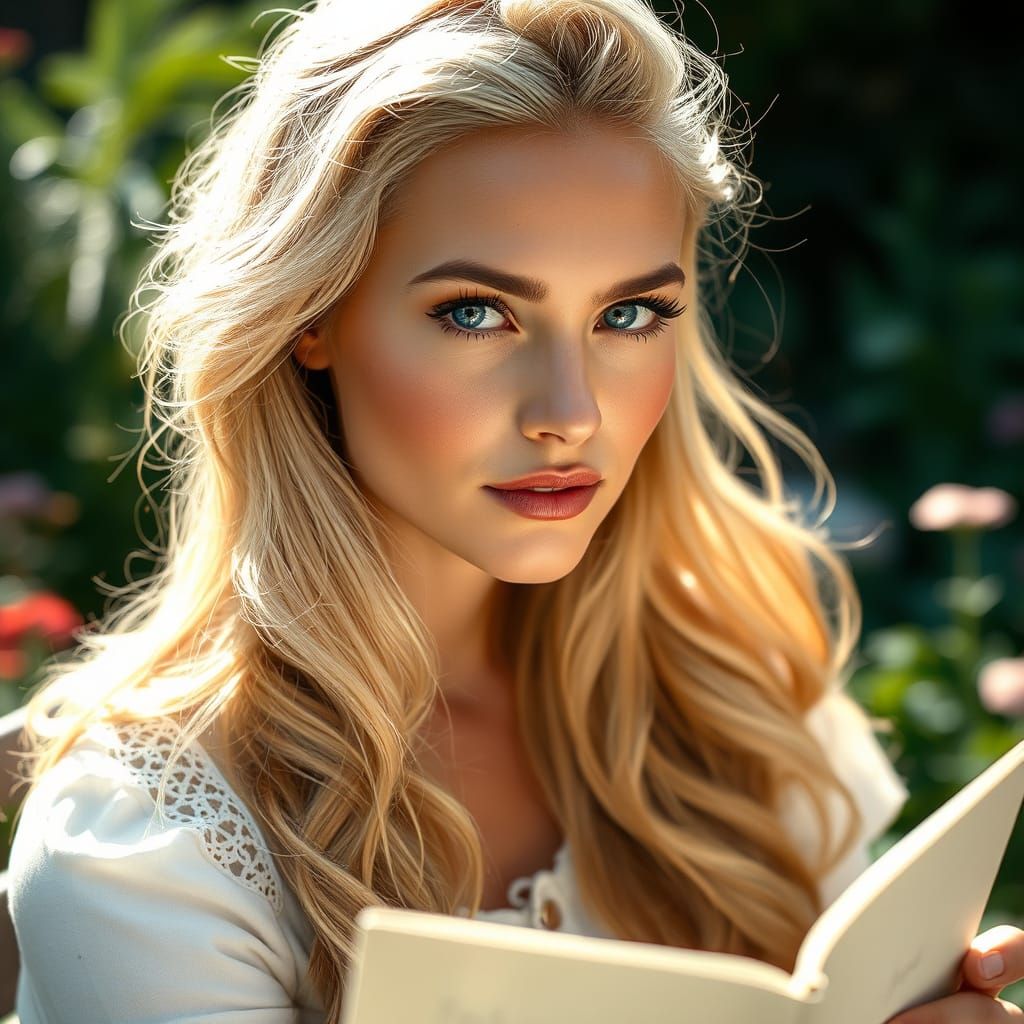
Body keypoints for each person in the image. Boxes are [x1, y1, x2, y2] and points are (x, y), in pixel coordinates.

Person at [6, 0, 1021, 1021]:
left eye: (627, 314)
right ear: (309, 317)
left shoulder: (734, 697)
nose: (570, 415)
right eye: (476, 313)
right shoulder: (145, 841)